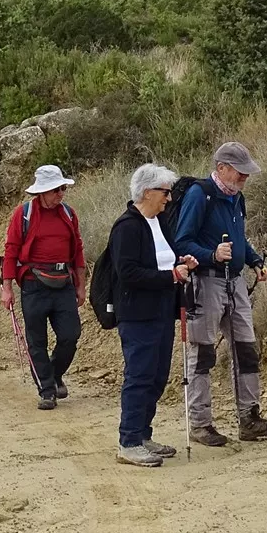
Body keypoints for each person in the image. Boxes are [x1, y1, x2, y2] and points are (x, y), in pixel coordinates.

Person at [171, 141, 267, 445]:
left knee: (246, 350)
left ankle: (249, 418)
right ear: (221, 168)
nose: (245, 177)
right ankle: (200, 424)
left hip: (234, 282)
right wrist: (211, 254)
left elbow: (240, 239)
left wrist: (255, 261)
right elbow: (182, 242)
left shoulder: (236, 197)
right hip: (206, 282)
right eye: (240, 171)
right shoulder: (200, 195)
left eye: (246, 172)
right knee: (203, 353)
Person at [107, 164, 200, 466]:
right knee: (140, 375)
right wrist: (171, 276)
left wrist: (181, 262)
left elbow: (163, 260)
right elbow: (129, 273)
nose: (169, 199)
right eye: (165, 192)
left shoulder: (159, 222)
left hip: (161, 312)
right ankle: (129, 441)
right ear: (147, 192)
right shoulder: (127, 226)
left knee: (157, 376)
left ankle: (143, 434)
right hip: (137, 314)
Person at [1, 164, 86, 411]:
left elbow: (78, 250)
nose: (61, 193)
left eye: (62, 188)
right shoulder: (23, 214)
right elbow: (11, 250)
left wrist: (80, 286)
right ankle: (47, 390)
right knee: (36, 340)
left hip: (63, 284)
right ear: (42, 192)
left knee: (70, 335)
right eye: (56, 189)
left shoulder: (68, 213)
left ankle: (53, 373)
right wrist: (6, 288)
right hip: (33, 284)